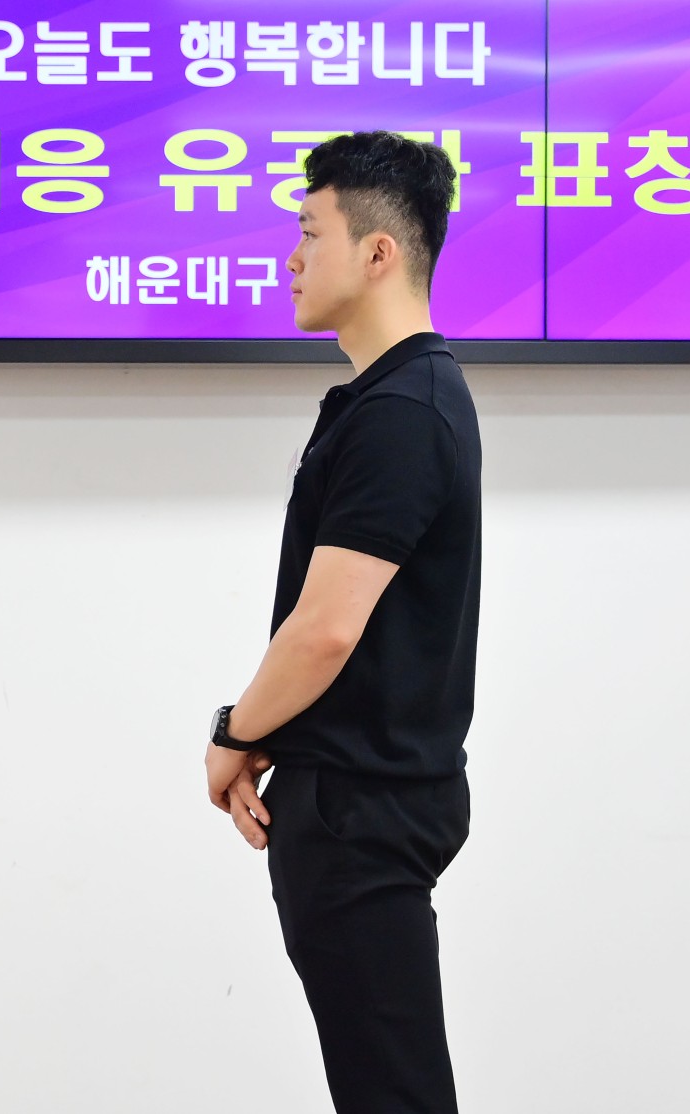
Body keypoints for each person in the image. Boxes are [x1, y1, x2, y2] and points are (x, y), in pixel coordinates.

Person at [203, 131, 479, 1113]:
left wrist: (234, 732)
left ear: (378, 252)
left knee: (393, 1094)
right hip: (362, 800)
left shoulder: (403, 411)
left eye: (310, 232)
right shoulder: (390, 401)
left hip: (363, 810)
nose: (291, 257)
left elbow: (326, 628)